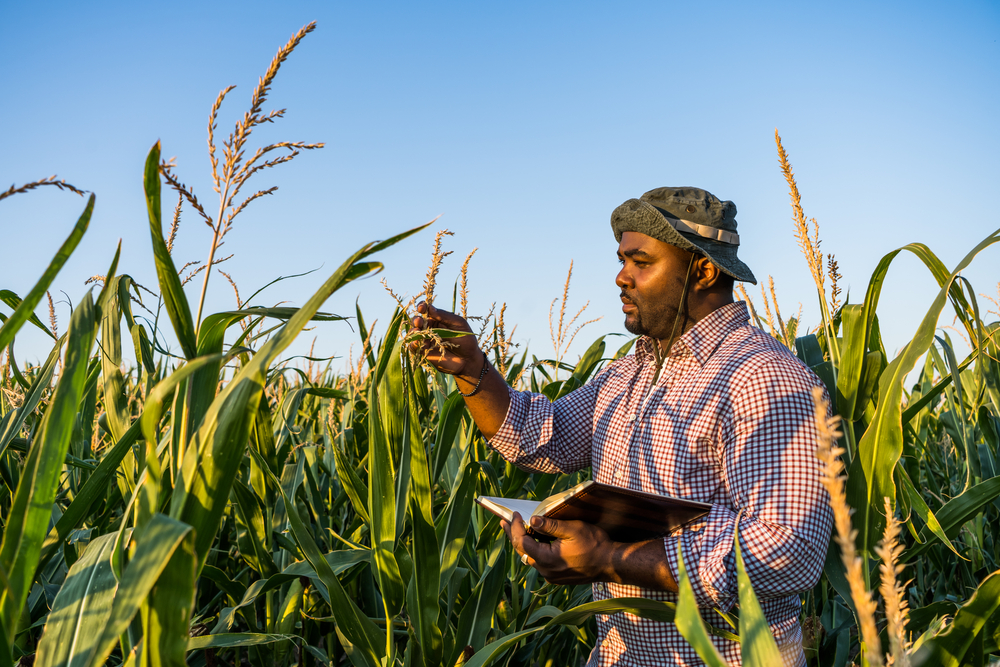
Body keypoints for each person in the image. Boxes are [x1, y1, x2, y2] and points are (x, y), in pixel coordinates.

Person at [411, 186, 833, 666]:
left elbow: (788, 549)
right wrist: (472, 369)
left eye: (640, 262)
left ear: (704, 269)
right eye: (621, 260)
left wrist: (610, 560)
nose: (621, 277)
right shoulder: (625, 374)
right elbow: (538, 435)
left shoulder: (764, 378)